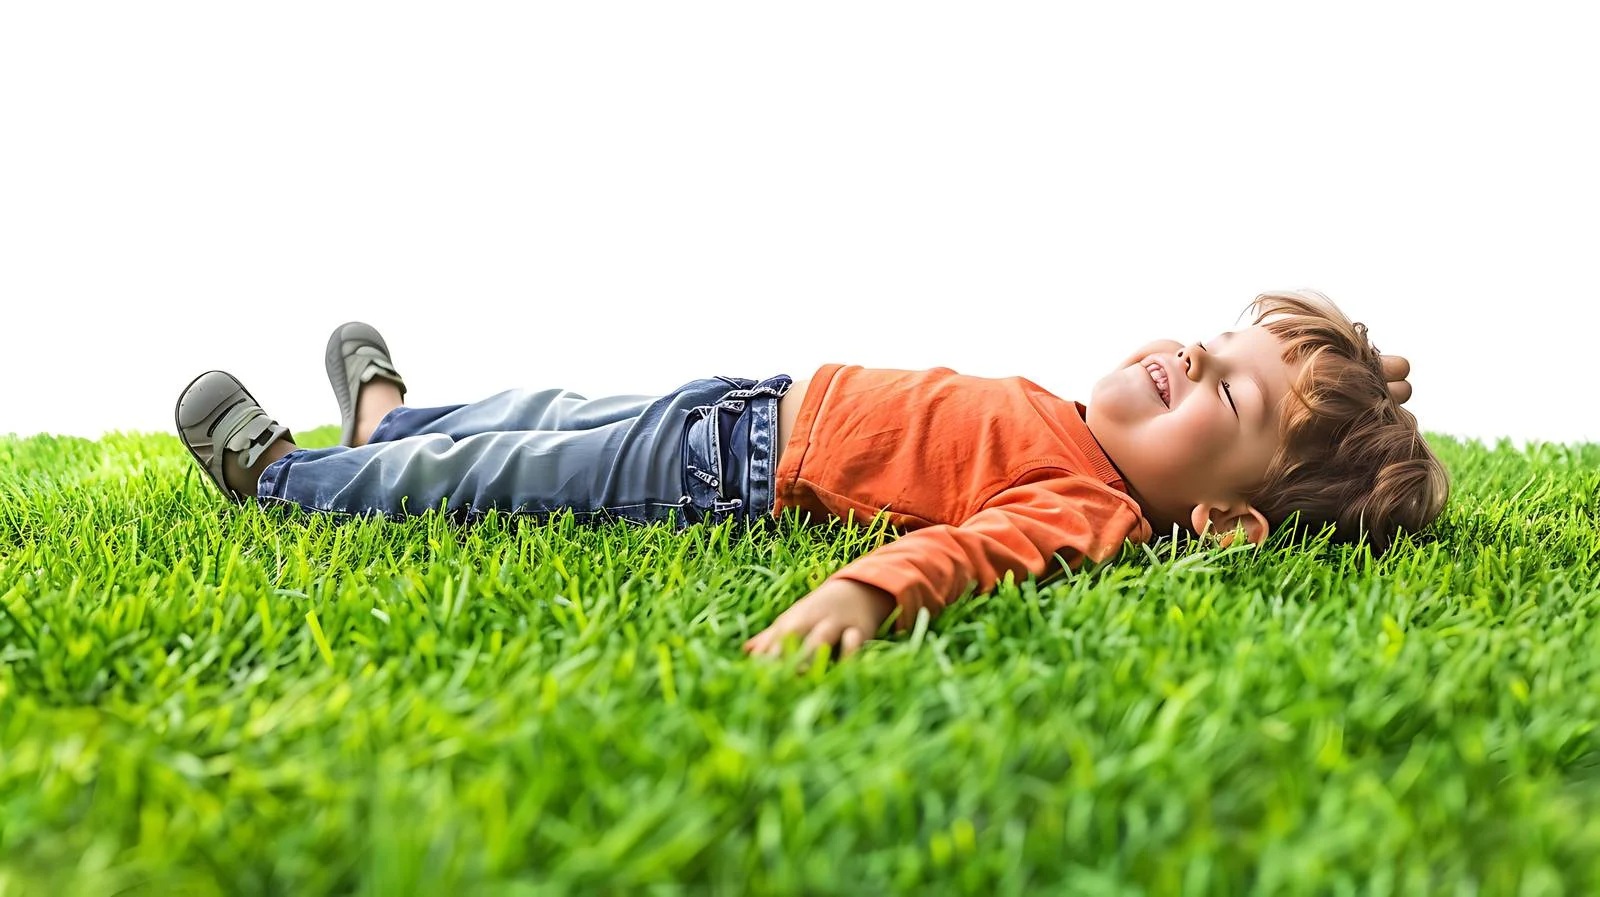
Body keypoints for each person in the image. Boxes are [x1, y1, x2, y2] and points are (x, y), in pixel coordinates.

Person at [173, 289, 1447, 661]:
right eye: (1207, 337)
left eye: (1222, 389)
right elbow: (1273, 392)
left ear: (1224, 518)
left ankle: (287, 482)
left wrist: (863, 595)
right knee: (536, 405)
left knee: (518, 470)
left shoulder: (1091, 506)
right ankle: (388, 419)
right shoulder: (1081, 424)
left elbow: (967, 553)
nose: (1186, 355)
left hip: (720, 475)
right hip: (753, 402)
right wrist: (1328, 375)